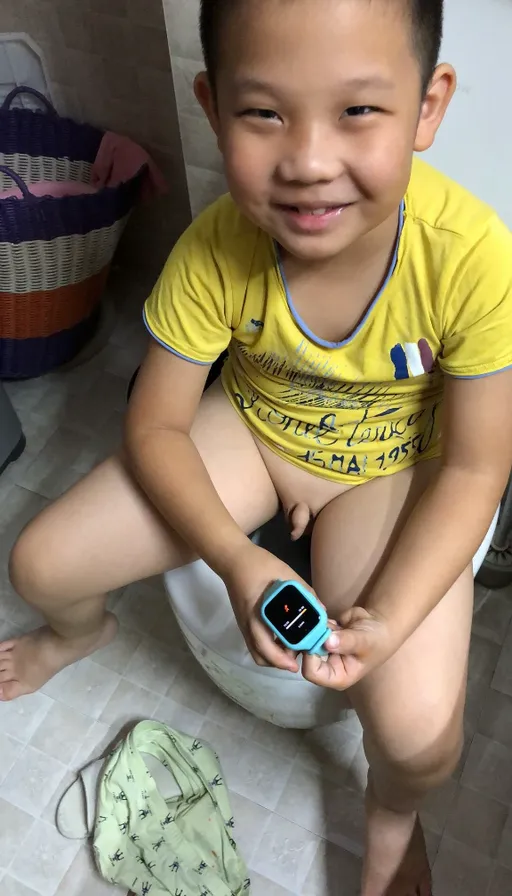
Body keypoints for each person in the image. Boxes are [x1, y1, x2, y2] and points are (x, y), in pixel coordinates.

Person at [2, 0, 512, 892]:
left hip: (387, 467)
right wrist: (237, 559)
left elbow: (476, 465)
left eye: (358, 110)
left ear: (428, 107)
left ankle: (391, 818)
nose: (309, 162)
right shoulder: (213, 251)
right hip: (252, 431)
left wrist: (388, 620)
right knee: (41, 565)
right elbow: (156, 423)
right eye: (264, 112)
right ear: (212, 106)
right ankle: (79, 637)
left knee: (421, 737)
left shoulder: (470, 259)